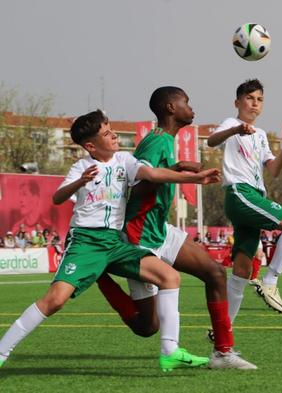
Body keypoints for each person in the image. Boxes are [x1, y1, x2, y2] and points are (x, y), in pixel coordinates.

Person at [0, 109, 218, 370]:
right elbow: (57, 198)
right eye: (106, 133)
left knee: (170, 277)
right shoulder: (81, 167)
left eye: (111, 128)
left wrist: (192, 178)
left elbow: (153, 175)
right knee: (55, 301)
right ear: (91, 146)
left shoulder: (124, 160)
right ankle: (2, 351)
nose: (114, 134)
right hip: (86, 243)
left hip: (116, 243)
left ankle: (170, 350)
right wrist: (79, 182)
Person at [98, 87, 256, 369]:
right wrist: (181, 171)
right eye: (187, 102)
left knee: (215, 273)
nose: (191, 108)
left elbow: (156, 175)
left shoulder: (166, 142)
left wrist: (177, 165)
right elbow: (139, 181)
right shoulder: (155, 142)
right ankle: (101, 274)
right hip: (139, 237)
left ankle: (223, 353)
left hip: (160, 230)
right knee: (147, 327)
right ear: (171, 108)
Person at [207, 79, 282, 316]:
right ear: (237, 102)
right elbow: (211, 141)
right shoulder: (231, 123)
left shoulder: (260, 134)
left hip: (252, 196)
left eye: (259, 99)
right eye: (250, 98)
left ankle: (222, 333)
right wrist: (235, 130)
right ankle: (270, 281)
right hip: (240, 193)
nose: (255, 103)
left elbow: (274, 170)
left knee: (241, 269)